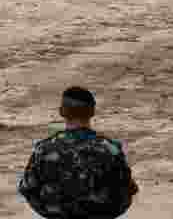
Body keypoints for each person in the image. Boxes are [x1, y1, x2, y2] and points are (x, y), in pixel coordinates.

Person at [18, 86, 138, 219]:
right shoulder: (109, 149)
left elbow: (27, 188)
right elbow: (128, 189)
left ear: (61, 111)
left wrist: (49, 211)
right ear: (92, 112)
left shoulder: (44, 149)